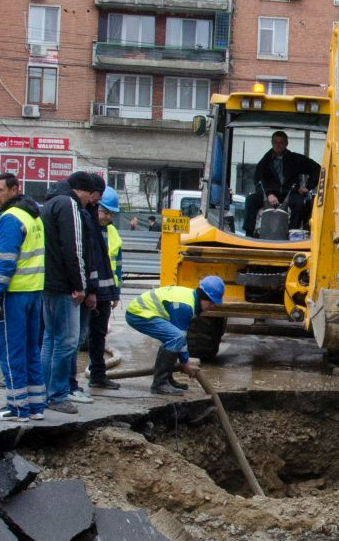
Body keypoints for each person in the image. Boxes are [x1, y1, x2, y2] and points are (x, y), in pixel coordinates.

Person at [38, 170, 103, 415]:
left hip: (48, 283)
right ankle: (57, 394)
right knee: (66, 342)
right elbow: (74, 249)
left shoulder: (51, 203)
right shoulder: (69, 206)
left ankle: (43, 391)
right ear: (82, 191)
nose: (90, 201)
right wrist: (80, 286)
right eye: (90, 195)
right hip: (64, 286)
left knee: (50, 340)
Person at [0, 172, 46, 421]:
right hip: (33, 291)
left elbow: (6, 263)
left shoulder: (9, 218)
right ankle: (36, 405)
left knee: (10, 351)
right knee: (31, 349)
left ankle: (17, 407)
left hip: (14, 294)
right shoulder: (32, 215)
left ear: (14, 190)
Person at [125, 276, 226, 396]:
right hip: (138, 314)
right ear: (203, 298)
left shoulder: (191, 298)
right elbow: (181, 336)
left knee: (173, 338)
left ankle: (166, 379)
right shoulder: (185, 307)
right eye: (211, 302)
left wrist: (185, 362)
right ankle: (160, 384)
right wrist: (185, 363)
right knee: (175, 337)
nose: (213, 306)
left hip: (142, 312)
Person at [86, 190, 124, 390]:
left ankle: (98, 375)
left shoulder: (112, 232)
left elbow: (117, 265)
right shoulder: (88, 229)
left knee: (98, 334)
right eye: (105, 212)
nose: (108, 217)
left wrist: (115, 291)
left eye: (111, 213)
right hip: (87, 292)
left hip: (105, 292)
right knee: (76, 337)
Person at [253, 131, 319, 230]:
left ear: (286, 144)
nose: (278, 145)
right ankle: (249, 232)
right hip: (270, 193)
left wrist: (308, 187)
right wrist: (268, 194)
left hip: (290, 191)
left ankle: (293, 231)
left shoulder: (295, 159)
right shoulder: (264, 162)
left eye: (281, 142)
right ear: (272, 143)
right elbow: (259, 180)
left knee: (299, 203)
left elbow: (316, 168)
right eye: (275, 142)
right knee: (251, 200)